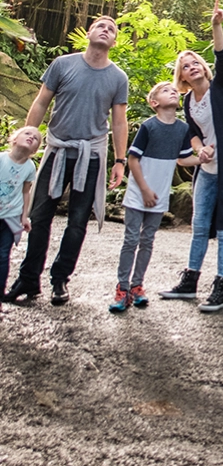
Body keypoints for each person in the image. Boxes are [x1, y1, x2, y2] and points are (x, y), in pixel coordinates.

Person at [6, 16, 128, 306]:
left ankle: (60, 279)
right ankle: (28, 279)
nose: (106, 29)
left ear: (114, 41)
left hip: (91, 155)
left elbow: (120, 121)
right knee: (38, 217)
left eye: (112, 29)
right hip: (57, 149)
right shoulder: (63, 64)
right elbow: (41, 101)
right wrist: (29, 139)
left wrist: (120, 160)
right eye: (101, 25)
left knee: (76, 223)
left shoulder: (117, 77)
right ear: (89, 33)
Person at [161, 0, 223, 312]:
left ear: (203, 68)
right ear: (183, 77)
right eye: (185, 66)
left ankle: (220, 289)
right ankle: (190, 282)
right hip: (208, 169)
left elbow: (222, 57)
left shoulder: (222, 87)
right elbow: (192, 130)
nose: (192, 66)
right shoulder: (189, 101)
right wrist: (198, 148)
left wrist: (217, 25)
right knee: (200, 224)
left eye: (195, 62)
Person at [109, 82, 199, 313]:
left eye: (173, 90)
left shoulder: (182, 129)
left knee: (148, 240)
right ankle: (122, 288)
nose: (172, 91)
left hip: (159, 196)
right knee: (131, 240)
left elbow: (183, 159)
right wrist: (145, 190)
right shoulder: (149, 127)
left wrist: (205, 158)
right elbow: (132, 159)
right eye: (165, 90)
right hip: (139, 194)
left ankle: (138, 285)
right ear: (154, 103)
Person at [0, 125, 42, 306]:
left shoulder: (30, 167)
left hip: (10, 218)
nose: (32, 137)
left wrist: (24, 216)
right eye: (27, 133)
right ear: (14, 139)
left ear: (35, 150)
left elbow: (26, 192)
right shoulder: (1, 159)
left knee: (3, 255)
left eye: (36, 138)